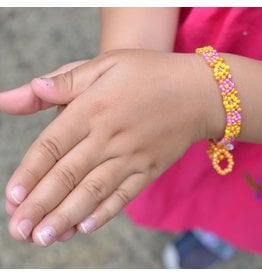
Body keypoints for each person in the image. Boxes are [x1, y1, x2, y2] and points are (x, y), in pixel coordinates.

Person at [1, 7, 262, 268]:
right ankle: (211, 226)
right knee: (182, 178)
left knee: (243, 210)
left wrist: (204, 96)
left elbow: (198, 96)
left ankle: (221, 234)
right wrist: (130, 69)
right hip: (170, 109)